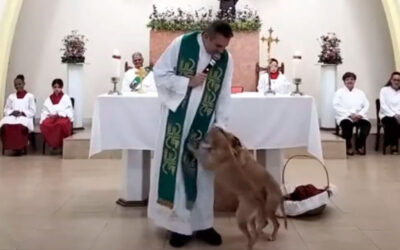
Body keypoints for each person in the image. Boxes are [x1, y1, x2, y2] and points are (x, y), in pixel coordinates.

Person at [147, 21, 234, 247]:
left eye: (224, 46)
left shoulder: (226, 59)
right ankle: (179, 227)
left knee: (203, 175)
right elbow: (160, 73)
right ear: (205, 36)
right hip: (177, 121)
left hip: (204, 126)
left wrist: (220, 126)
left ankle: (203, 224)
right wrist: (187, 81)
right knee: (176, 172)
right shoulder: (182, 44)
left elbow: (224, 94)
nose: (220, 51)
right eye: (217, 45)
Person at [333, 72, 370, 155]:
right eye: (347, 79)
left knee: (366, 125)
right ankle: (348, 146)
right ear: (344, 81)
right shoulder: (339, 92)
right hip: (345, 116)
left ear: (355, 81)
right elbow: (336, 106)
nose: (350, 81)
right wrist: (349, 115)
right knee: (347, 125)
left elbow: (366, 104)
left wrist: (360, 114)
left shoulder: (360, 92)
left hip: (359, 116)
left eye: (352, 79)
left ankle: (359, 145)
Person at [0, 74, 36, 155]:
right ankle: (10, 146)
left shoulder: (30, 96)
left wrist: (23, 113)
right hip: (13, 117)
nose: (17, 86)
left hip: (24, 117)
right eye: (15, 85)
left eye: (19, 84)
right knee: (5, 125)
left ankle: (20, 147)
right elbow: (6, 109)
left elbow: (33, 111)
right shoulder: (11, 97)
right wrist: (12, 112)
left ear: (24, 83)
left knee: (20, 126)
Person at [40, 78, 73, 149]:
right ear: (52, 87)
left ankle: (60, 145)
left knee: (61, 124)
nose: (57, 89)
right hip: (52, 118)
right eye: (55, 87)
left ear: (61, 87)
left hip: (62, 117)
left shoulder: (66, 97)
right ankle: (53, 145)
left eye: (59, 87)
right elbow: (44, 110)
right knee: (45, 124)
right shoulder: (49, 98)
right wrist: (49, 115)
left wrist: (60, 113)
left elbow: (69, 110)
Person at [379, 71, 400, 154]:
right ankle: (393, 145)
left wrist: (398, 115)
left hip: (399, 115)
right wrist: (394, 115)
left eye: (398, 80)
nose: (396, 82)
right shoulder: (384, 90)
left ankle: (388, 141)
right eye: (395, 79)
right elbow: (383, 105)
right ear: (391, 80)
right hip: (386, 114)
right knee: (393, 122)